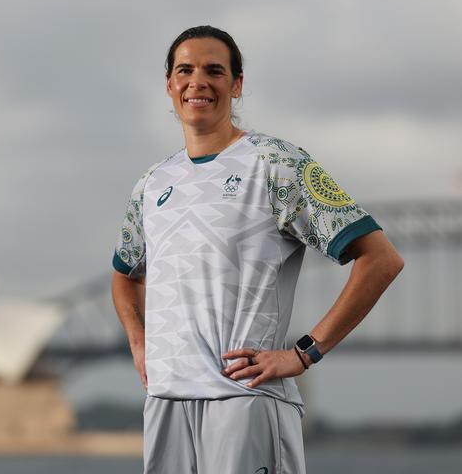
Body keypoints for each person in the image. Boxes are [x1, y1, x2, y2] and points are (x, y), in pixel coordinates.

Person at [110, 25, 403, 474]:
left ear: (237, 83)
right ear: (169, 84)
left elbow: (380, 258)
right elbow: (126, 275)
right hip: (166, 401)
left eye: (214, 70)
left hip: (244, 401)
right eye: (185, 70)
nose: (198, 82)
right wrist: (138, 343)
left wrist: (304, 353)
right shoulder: (152, 183)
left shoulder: (278, 164)